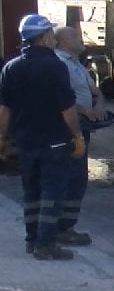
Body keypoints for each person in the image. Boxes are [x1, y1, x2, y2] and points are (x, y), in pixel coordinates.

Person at [0, 14, 86, 260]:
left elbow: (4, 110)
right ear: (46, 37)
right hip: (54, 141)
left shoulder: (11, 67)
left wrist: (2, 138)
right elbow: (67, 109)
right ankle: (46, 244)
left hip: (25, 142)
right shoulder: (54, 66)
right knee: (52, 191)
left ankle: (32, 239)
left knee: (31, 191)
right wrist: (77, 136)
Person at [54, 26, 108, 247]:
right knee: (69, 178)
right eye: (74, 36)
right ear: (61, 42)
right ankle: (60, 228)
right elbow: (59, 99)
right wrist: (84, 111)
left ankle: (68, 226)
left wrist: (99, 107)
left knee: (79, 179)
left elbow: (96, 92)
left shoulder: (77, 65)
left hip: (84, 127)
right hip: (68, 129)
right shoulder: (59, 64)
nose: (80, 38)